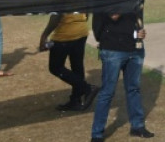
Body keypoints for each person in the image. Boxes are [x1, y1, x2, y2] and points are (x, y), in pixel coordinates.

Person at [90, 10, 153, 141]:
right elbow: (112, 17)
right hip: (113, 51)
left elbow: (135, 21)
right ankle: (97, 134)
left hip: (135, 50)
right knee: (107, 92)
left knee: (134, 89)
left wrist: (139, 33)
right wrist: (123, 7)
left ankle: (137, 126)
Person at [39, 12, 98, 111]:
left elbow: (56, 15)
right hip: (81, 31)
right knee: (77, 66)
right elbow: (87, 12)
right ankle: (75, 100)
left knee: (55, 67)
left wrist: (44, 36)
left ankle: (87, 88)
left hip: (65, 35)